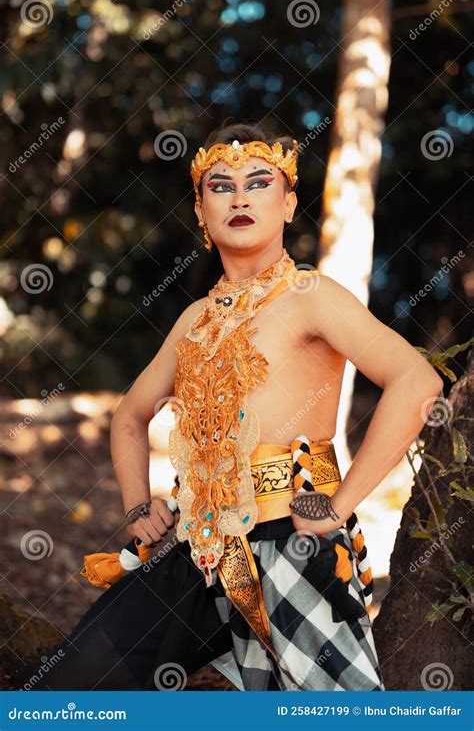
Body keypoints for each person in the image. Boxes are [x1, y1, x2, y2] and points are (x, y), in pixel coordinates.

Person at [29, 122, 443, 691]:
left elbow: (417, 381)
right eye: (220, 185)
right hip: (193, 550)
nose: (241, 197)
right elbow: (129, 415)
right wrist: (135, 512)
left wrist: (340, 506)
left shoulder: (311, 296)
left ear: (289, 203)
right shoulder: (194, 318)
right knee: (66, 690)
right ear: (201, 211)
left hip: (290, 545)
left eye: (258, 181)